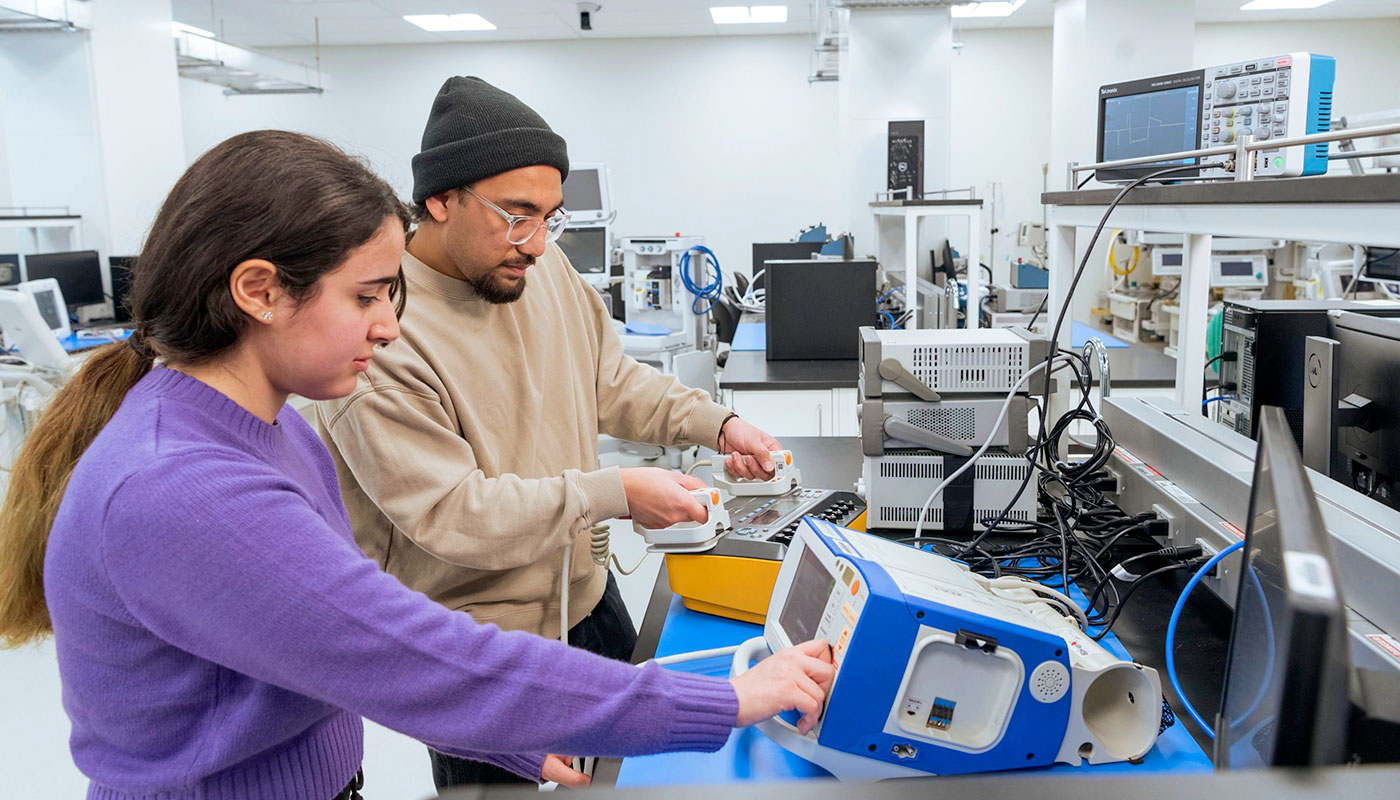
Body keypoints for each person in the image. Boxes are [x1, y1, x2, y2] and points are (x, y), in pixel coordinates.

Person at [0, 130, 835, 800]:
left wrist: (499, 740)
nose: (390, 327)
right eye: (365, 296)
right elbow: (414, 656)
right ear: (258, 290)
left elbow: (350, 648)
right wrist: (732, 698)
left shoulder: (272, 430)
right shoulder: (185, 491)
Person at [315, 77, 786, 788]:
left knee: (639, 780)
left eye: (552, 218)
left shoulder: (541, 271)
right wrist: (615, 491)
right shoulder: (382, 339)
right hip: (484, 654)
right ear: (439, 200)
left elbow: (610, 383)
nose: (535, 243)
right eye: (516, 216)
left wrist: (716, 423)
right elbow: (455, 516)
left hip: (589, 601)